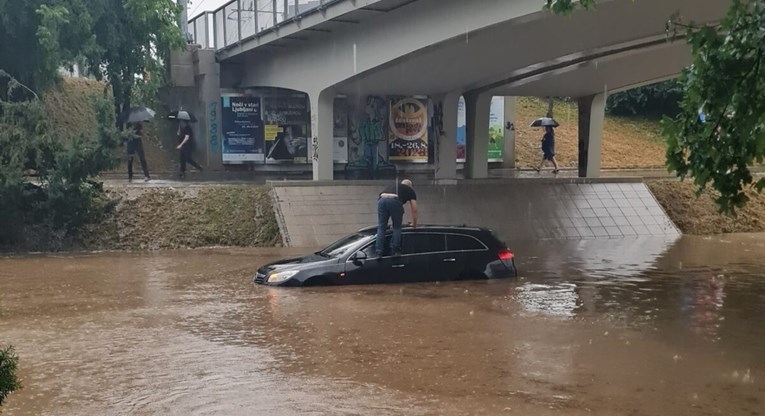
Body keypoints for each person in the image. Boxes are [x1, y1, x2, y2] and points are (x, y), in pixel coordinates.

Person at [376, 179, 418, 257]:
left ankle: (378, 251)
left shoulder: (393, 185)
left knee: (381, 227)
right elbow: (414, 209)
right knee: (397, 227)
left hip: (381, 199)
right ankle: (395, 251)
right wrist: (414, 224)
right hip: (394, 200)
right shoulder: (409, 190)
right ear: (410, 186)